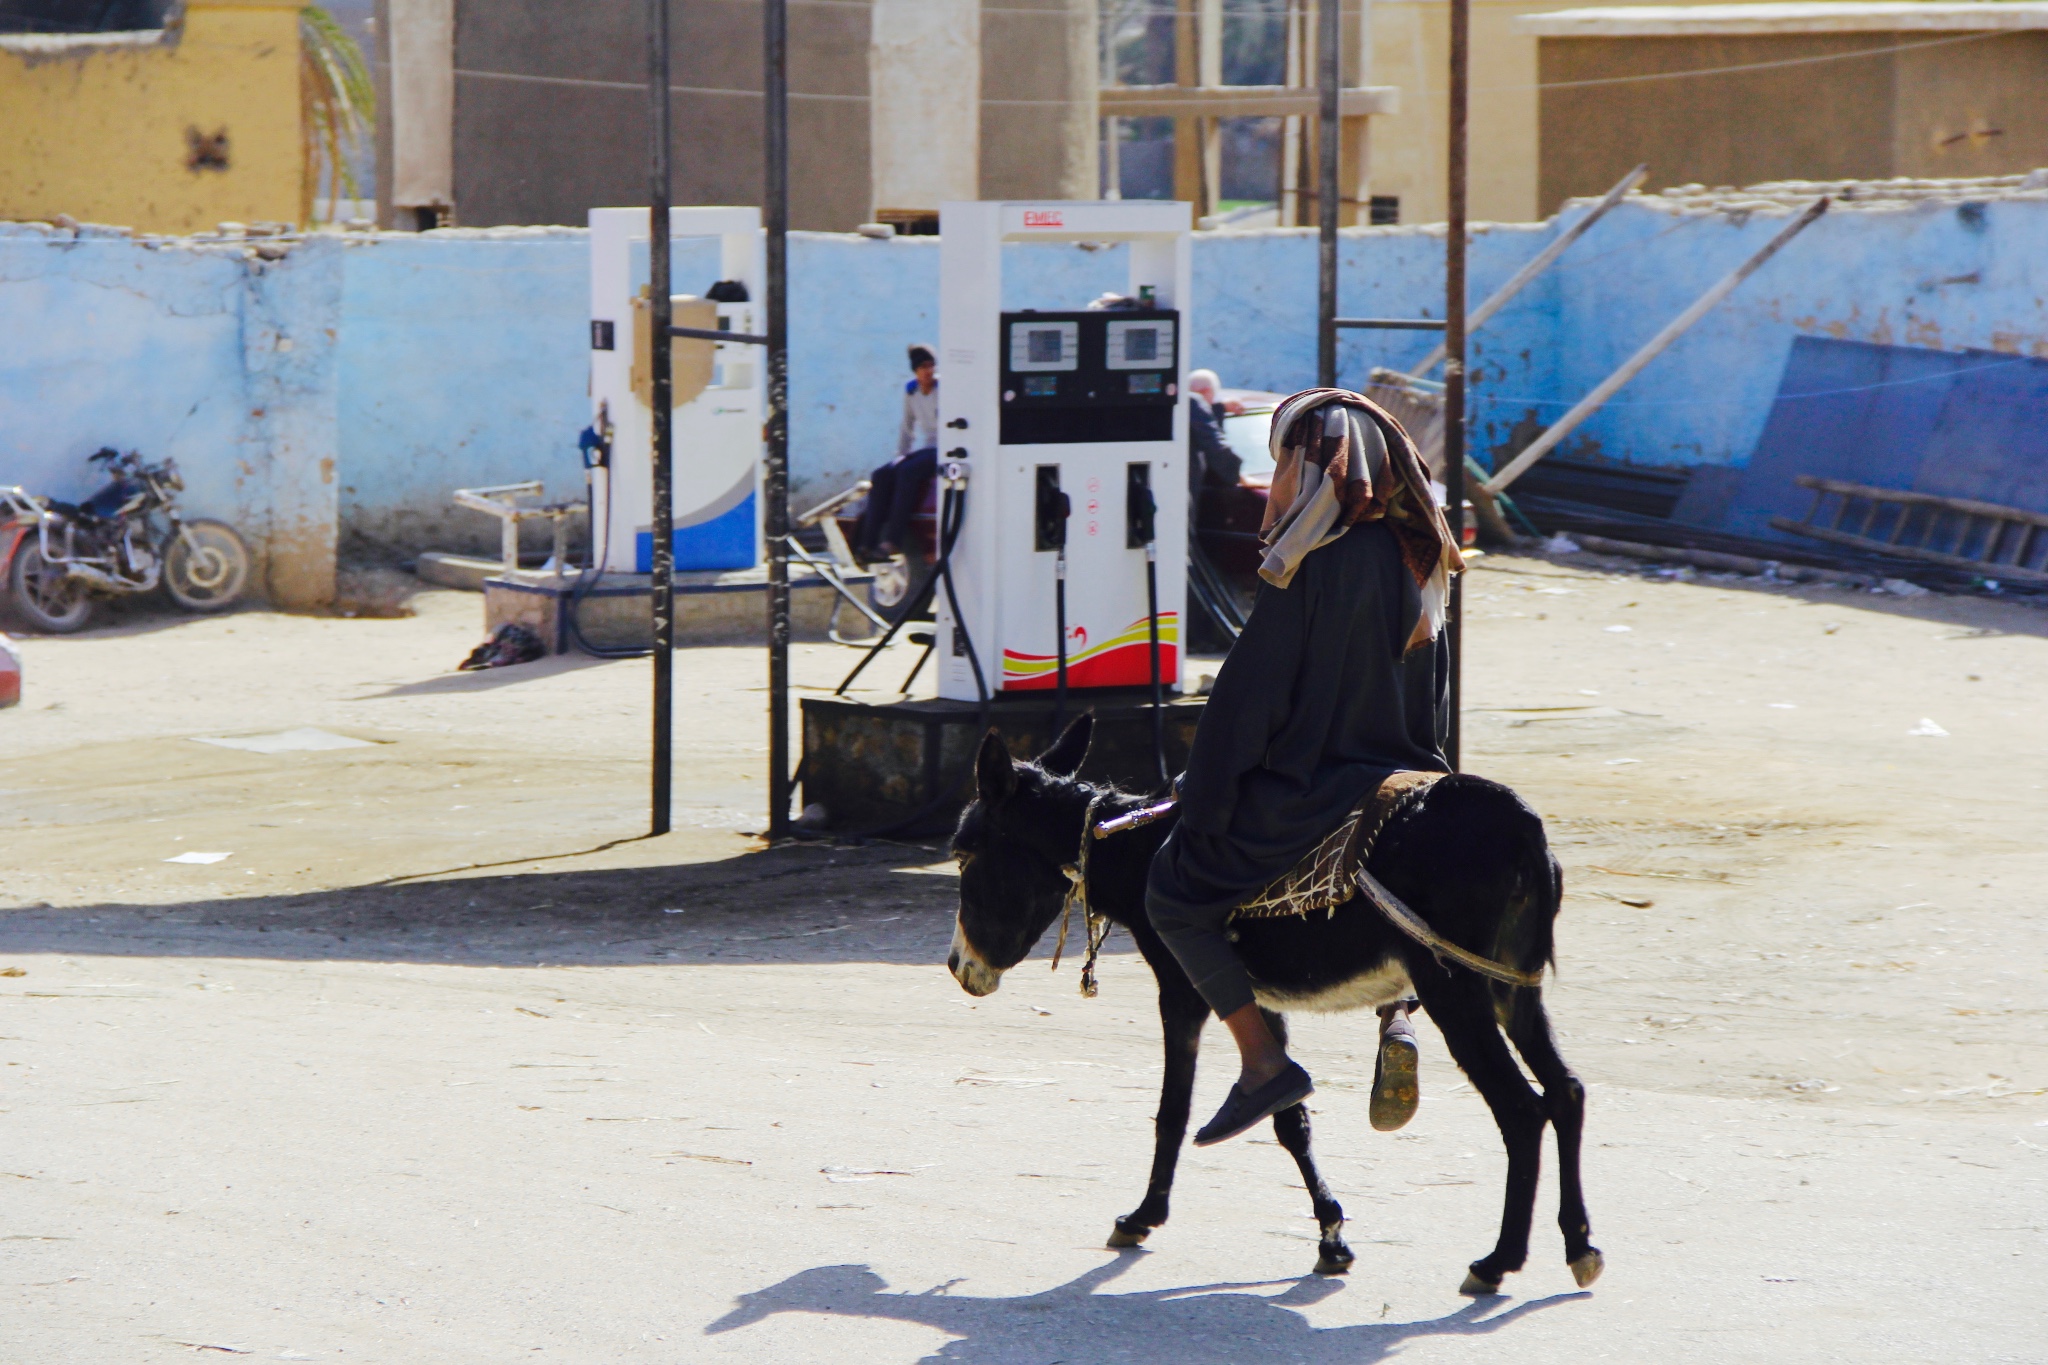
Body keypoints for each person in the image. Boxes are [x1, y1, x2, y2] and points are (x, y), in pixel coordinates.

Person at [1145, 388, 1463, 1147]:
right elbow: (1439, 704)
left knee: (1172, 895)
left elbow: (1245, 704)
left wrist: (1204, 799)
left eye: (1285, 458)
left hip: (1317, 791)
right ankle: (1399, 1011)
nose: (1278, 476)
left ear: (1315, 468)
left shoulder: (1307, 563)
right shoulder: (1424, 561)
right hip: (1414, 774)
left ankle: (1262, 1061)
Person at [853, 345, 941, 562]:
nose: (928, 371)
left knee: (908, 472)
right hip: (929, 447)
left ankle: (893, 540)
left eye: (931, 365)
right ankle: (868, 544)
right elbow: (907, 427)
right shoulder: (911, 391)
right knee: (882, 474)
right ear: (915, 371)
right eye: (923, 367)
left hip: (945, 449)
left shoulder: (945, 388)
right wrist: (900, 455)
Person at [1186, 369, 1241, 497]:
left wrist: (1220, 407)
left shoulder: (1176, 410)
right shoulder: (1194, 405)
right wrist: (1238, 476)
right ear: (1207, 391)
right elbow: (1216, 448)